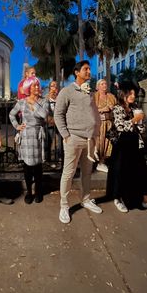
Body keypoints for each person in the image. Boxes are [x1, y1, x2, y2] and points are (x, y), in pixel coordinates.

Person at [54, 60, 103, 224]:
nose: (89, 72)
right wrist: (66, 136)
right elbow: (58, 114)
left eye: (90, 69)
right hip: (73, 139)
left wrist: (95, 134)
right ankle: (64, 205)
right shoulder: (67, 91)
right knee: (68, 173)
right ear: (77, 72)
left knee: (87, 172)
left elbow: (94, 114)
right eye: (85, 69)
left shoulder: (89, 92)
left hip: (90, 139)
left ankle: (86, 199)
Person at [106, 83, 147, 213]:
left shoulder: (136, 107)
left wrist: (139, 122)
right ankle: (118, 198)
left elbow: (141, 128)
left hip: (135, 143)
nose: (133, 96)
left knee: (141, 171)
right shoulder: (117, 108)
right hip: (122, 145)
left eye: (134, 94)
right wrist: (134, 120)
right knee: (120, 172)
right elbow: (120, 127)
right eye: (131, 93)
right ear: (123, 94)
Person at [9, 76, 48, 204]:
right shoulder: (21, 102)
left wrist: (33, 103)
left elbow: (44, 115)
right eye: (34, 85)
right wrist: (17, 126)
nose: (37, 87)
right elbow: (11, 114)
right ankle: (29, 193)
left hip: (38, 135)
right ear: (28, 88)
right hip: (25, 135)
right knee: (27, 167)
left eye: (37, 85)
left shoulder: (43, 101)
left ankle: (38, 191)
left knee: (38, 167)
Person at [94, 79, 117, 173]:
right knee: (99, 143)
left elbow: (116, 109)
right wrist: (101, 109)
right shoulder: (94, 97)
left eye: (105, 83)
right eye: (102, 84)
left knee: (108, 143)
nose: (104, 85)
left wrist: (112, 109)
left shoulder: (111, 96)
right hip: (98, 123)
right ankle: (98, 162)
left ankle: (103, 161)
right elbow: (90, 109)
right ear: (97, 86)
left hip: (109, 123)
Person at [45, 80, 61, 162]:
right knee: (48, 141)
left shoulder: (60, 97)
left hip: (59, 123)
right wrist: (51, 120)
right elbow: (44, 112)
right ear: (49, 88)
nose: (54, 87)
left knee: (60, 142)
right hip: (50, 123)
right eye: (52, 86)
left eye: (55, 86)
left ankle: (59, 158)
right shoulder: (46, 98)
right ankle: (48, 160)